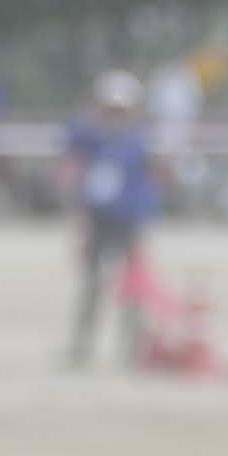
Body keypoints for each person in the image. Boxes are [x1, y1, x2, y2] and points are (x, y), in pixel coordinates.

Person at [61, 74, 160, 367]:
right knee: (92, 284)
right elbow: (70, 146)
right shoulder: (91, 136)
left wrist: (143, 217)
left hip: (128, 220)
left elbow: (149, 181)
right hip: (98, 219)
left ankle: (131, 348)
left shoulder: (139, 140)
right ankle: (82, 347)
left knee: (132, 287)